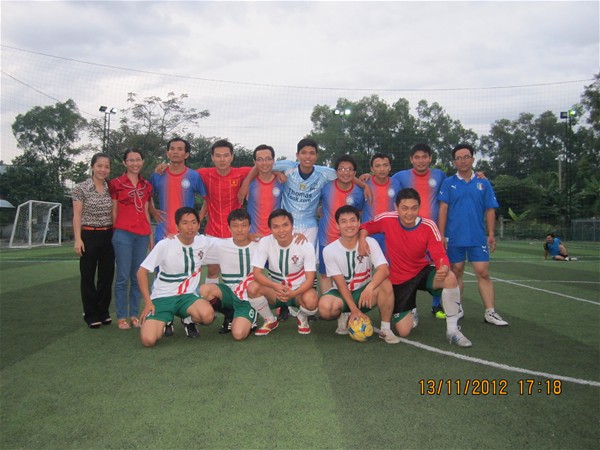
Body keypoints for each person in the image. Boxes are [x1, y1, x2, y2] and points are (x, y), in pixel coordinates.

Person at [359, 188, 472, 347]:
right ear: (396, 207)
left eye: (414, 208)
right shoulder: (387, 219)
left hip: (420, 272)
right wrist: (362, 238)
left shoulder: (428, 225)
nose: (409, 213)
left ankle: (453, 331)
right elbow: (366, 226)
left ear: (419, 207)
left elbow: (439, 253)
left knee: (450, 278)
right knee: (403, 331)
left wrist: (443, 267)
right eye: (404, 208)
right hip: (398, 280)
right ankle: (411, 310)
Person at [438, 144, 508, 327]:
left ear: (473, 159)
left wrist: (491, 233)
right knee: (456, 272)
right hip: (454, 236)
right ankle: (457, 308)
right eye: (458, 158)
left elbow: (490, 209)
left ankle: (490, 312)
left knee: (483, 272)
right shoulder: (448, 183)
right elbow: (443, 209)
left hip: (477, 236)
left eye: (466, 157)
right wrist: (441, 235)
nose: (462, 161)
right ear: (454, 162)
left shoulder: (483, 182)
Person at [149, 137, 207, 338]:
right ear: (167, 153)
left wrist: (197, 221)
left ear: (187, 154)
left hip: (187, 235)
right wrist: (153, 211)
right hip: (164, 232)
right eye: (172, 149)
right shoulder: (158, 174)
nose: (175, 152)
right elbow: (146, 194)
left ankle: (188, 318)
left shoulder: (193, 176)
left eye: (180, 149)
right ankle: (165, 318)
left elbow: (206, 199)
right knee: (161, 274)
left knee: (190, 272)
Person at [318, 205, 400, 344]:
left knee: (385, 283)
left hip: (364, 293)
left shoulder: (370, 243)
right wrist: (354, 309)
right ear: (337, 226)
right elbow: (340, 283)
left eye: (352, 220)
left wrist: (370, 288)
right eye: (343, 221)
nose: (349, 225)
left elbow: (384, 270)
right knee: (325, 307)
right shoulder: (329, 250)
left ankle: (385, 329)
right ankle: (345, 313)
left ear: (359, 223)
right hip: (342, 294)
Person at [137, 207, 216, 347]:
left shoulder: (203, 242)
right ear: (177, 226)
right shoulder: (165, 244)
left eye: (193, 222)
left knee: (208, 316)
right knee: (148, 340)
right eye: (185, 223)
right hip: (162, 297)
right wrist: (148, 303)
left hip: (187, 296)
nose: (190, 227)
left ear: (199, 224)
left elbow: (232, 242)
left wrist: (251, 238)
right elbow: (141, 272)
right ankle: (166, 320)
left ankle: (188, 319)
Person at [392, 144, 448, 320]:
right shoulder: (401, 176)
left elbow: (449, 192)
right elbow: (382, 181)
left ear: (430, 158)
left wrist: (477, 175)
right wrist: (364, 179)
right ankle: (411, 307)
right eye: (417, 157)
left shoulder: (440, 175)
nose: (421, 160)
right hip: (409, 233)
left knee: (439, 268)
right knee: (410, 270)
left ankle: (436, 305)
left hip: (431, 233)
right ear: (411, 159)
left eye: (424, 157)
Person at [245, 209, 319, 336]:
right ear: (270, 229)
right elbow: (257, 274)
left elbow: (310, 279)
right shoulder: (265, 242)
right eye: (276, 227)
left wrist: (294, 293)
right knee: (252, 288)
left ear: (292, 226)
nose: (281, 230)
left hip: (298, 292)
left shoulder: (305, 244)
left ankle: (302, 317)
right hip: (275, 291)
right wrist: (275, 286)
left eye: (285, 225)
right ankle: (270, 320)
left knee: (312, 300)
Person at [196, 140, 253, 284]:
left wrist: (245, 186)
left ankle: (237, 296)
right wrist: (165, 167)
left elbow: (262, 167)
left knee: (237, 270)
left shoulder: (240, 173)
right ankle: (212, 296)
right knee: (213, 270)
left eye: (226, 155)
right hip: (213, 232)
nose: (222, 159)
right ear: (212, 157)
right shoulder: (204, 174)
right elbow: (183, 172)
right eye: (218, 156)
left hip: (236, 233)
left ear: (232, 157)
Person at [198, 209, 259, 340]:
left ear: (249, 227)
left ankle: (253, 314)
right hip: (229, 293)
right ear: (229, 228)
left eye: (243, 225)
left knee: (238, 334)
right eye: (235, 226)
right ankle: (229, 313)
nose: (240, 230)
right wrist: (174, 238)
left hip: (247, 298)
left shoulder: (259, 246)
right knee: (204, 290)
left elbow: (279, 240)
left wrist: (299, 236)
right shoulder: (221, 245)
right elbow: (196, 241)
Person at [109, 148, 153, 330]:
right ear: (124, 163)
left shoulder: (146, 185)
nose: (135, 163)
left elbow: (146, 211)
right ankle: (121, 316)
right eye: (131, 160)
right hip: (123, 233)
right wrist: (116, 233)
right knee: (122, 276)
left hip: (142, 234)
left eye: (138, 159)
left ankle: (134, 315)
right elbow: (114, 210)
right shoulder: (115, 183)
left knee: (138, 276)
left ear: (142, 162)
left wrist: (151, 236)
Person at [72, 153, 115, 329]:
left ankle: (103, 311)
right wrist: (78, 239)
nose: (103, 170)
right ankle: (91, 314)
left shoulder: (111, 188)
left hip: (108, 235)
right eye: (99, 166)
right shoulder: (81, 188)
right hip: (89, 235)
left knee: (106, 276)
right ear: (92, 167)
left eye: (106, 167)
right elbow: (77, 215)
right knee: (88, 276)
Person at [317, 155, 364, 293]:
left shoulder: (358, 192)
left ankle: (348, 304)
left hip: (349, 242)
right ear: (336, 172)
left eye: (349, 169)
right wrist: (321, 212)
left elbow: (360, 214)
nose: (346, 172)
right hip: (326, 240)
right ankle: (328, 302)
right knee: (325, 275)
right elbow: (317, 205)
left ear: (354, 172)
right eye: (342, 169)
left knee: (348, 276)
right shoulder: (326, 187)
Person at [246, 144, 283, 237]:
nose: (264, 163)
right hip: (254, 237)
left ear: (273, 161)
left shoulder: (281, 181)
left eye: (268, 159)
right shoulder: (248, 183)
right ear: (254, 162)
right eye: (259, 159)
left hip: (275, 237)